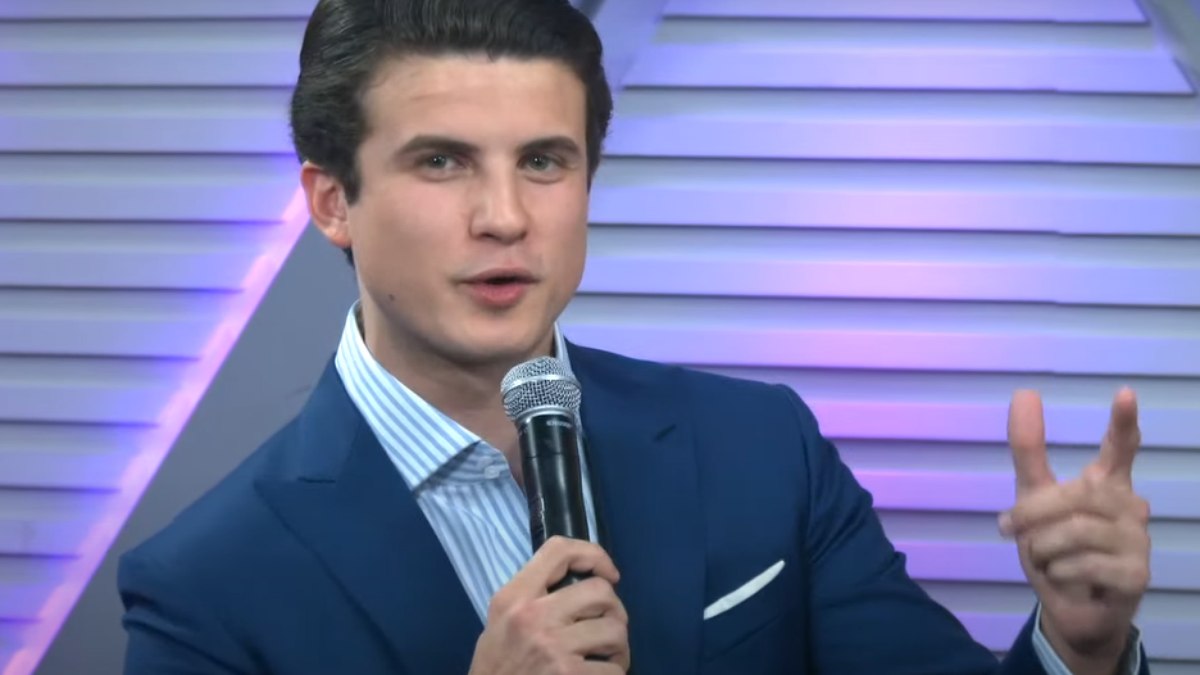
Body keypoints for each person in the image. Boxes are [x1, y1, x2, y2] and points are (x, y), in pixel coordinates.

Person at [117, 1, 1152, 673]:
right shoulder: (204, 587)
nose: (505, 217)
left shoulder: (759, 445)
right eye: (442, 162)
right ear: (332, 201)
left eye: (544, 161)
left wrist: (1079, 643)